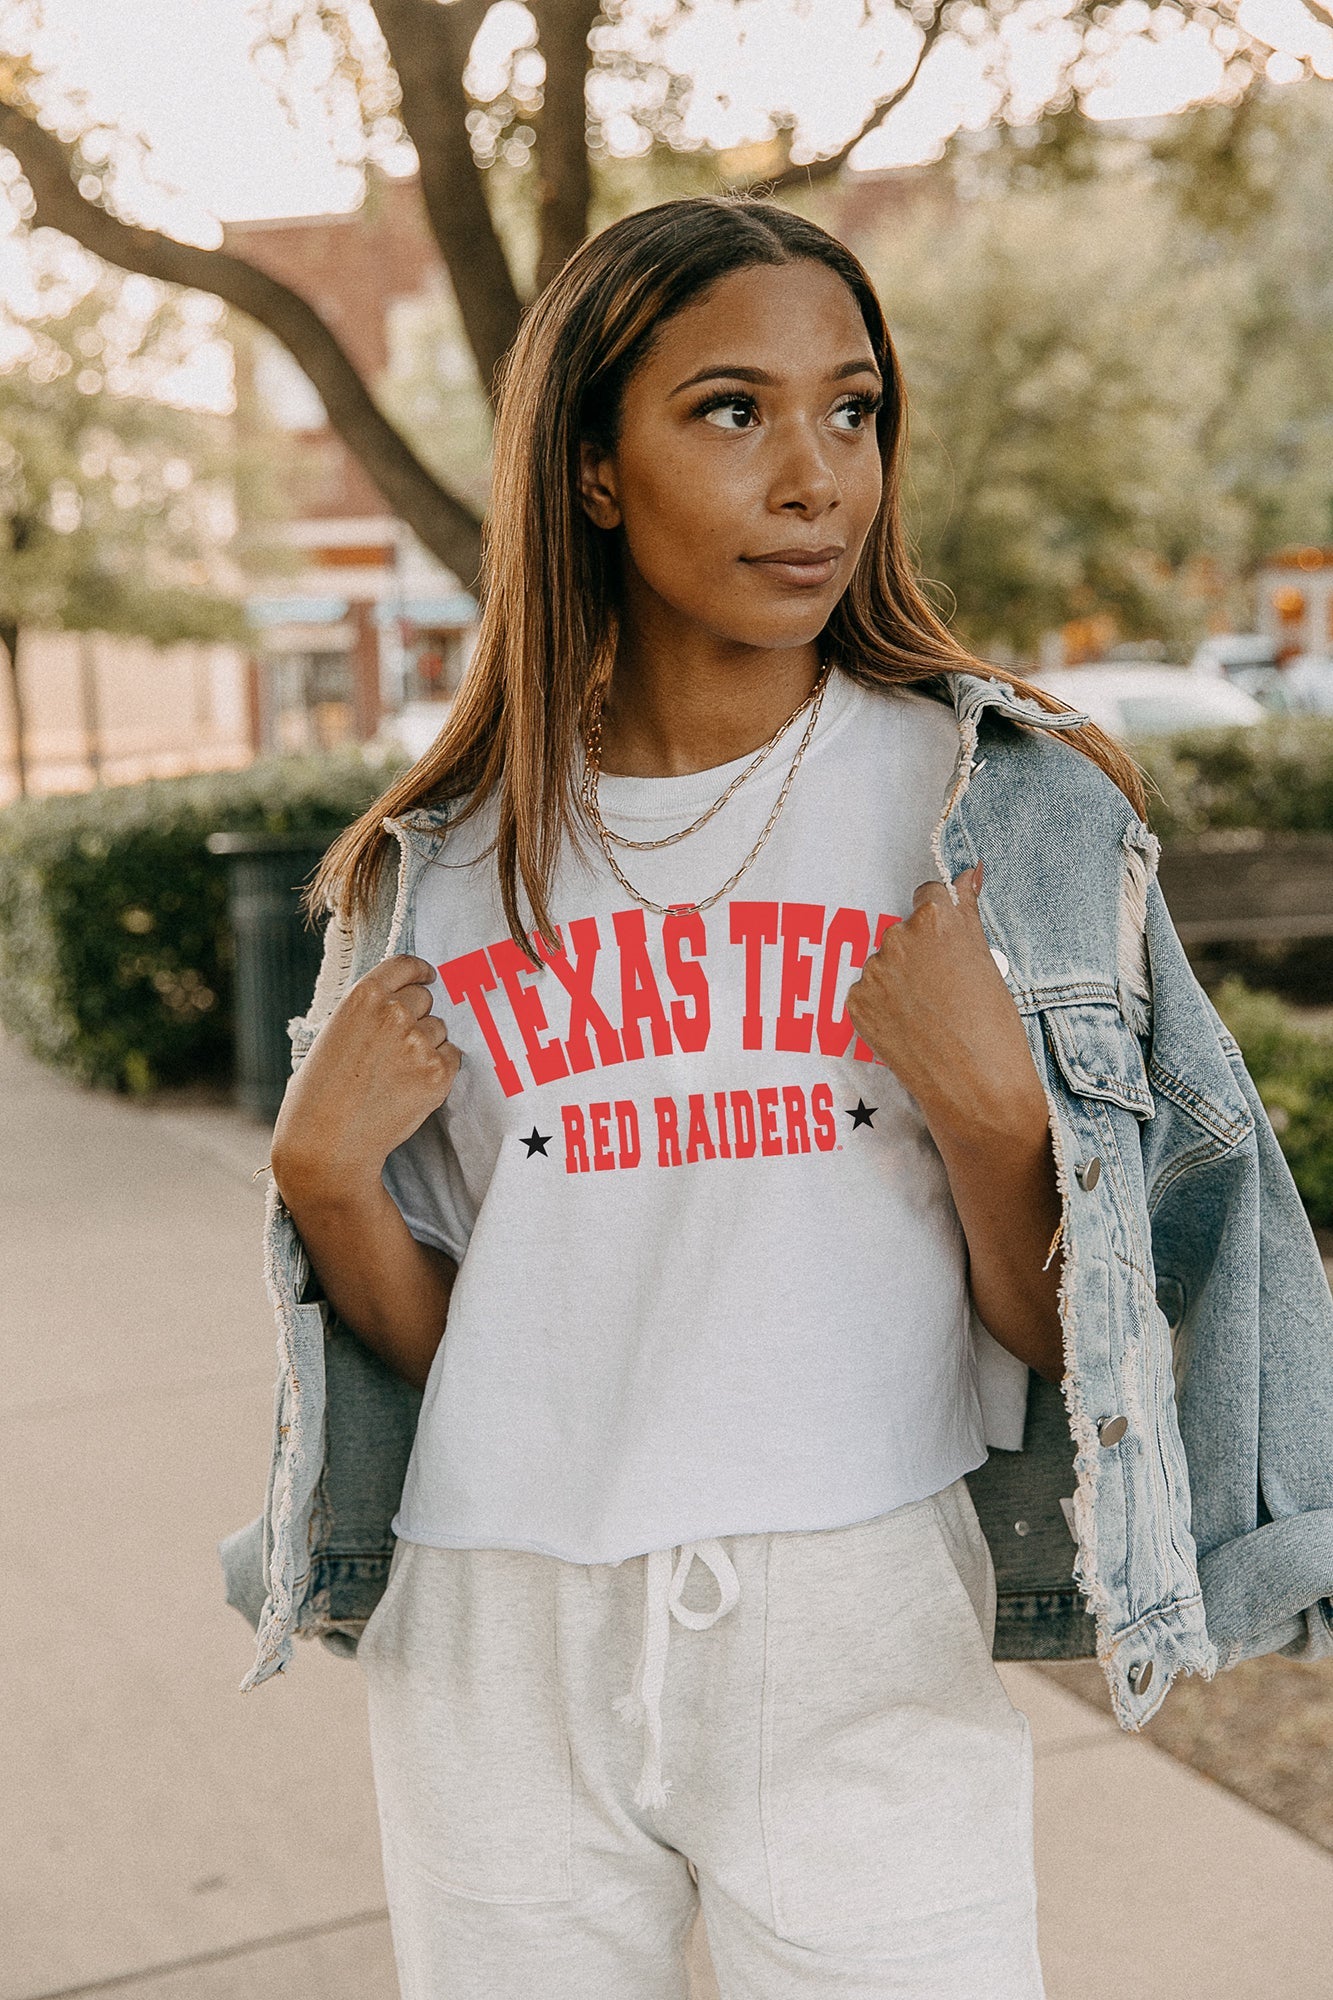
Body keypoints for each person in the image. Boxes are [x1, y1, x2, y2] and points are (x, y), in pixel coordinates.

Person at [235, 195, 1333, 2000]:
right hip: (498, 1631)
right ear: (590, 471)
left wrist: (992, 1128)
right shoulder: (436, 874)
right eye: (732, 410)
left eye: (855, 408)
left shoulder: (991, 809)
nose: (817, 475)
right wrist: (327, 1183)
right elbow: (467, 1343)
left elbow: (1095, 1341)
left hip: (860, 1611)